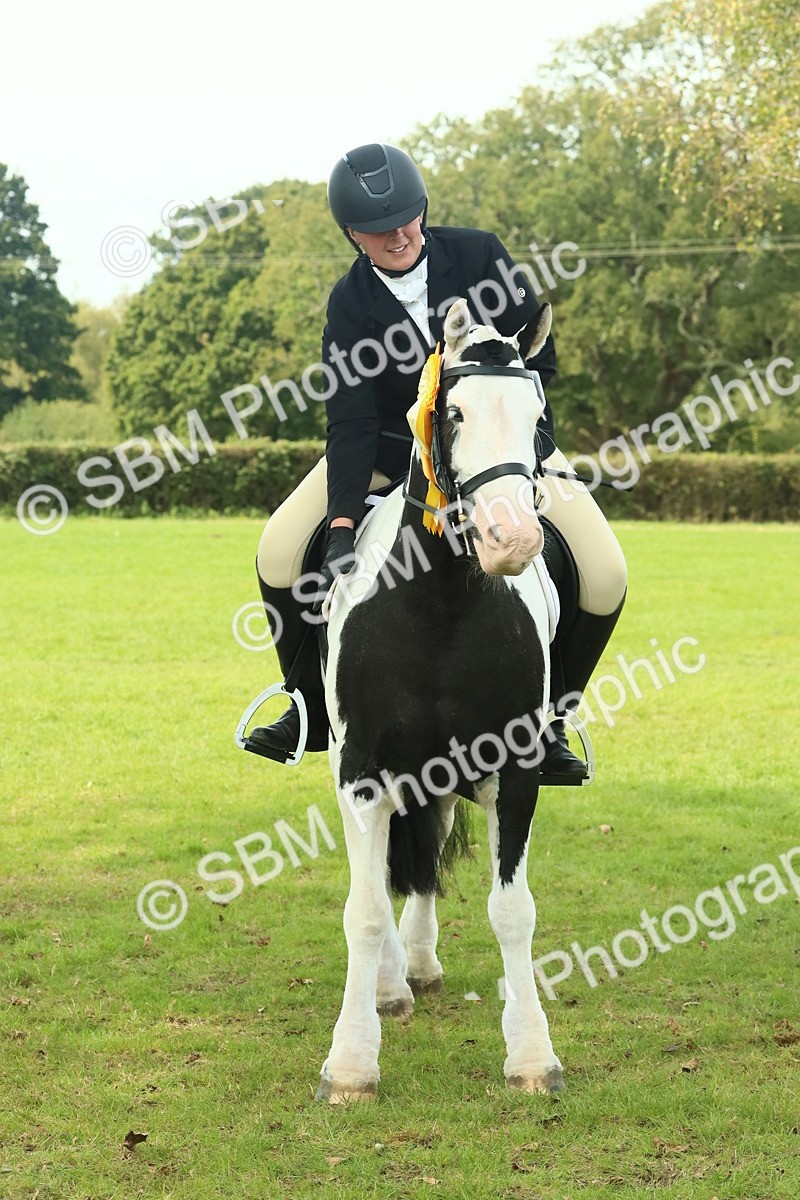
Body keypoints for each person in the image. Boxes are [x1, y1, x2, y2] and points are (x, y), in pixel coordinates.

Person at [248, 143, 627, 776]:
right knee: (277, 549)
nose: (397, 234)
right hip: (393, 457)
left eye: (407, 217)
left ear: (423, 210)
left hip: (496, 449)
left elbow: (541, 357)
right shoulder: (348, 304)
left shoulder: (479, 255)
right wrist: (343, 522)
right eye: (378, 227)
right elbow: (350, 420)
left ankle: (553, 718)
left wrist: (514, 445)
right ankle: (308, 705)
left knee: (607, 571)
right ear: (352, 234)